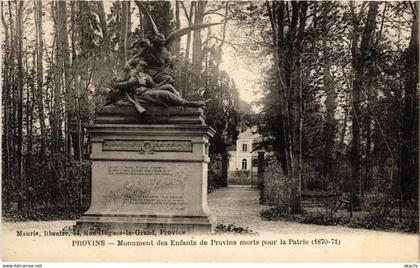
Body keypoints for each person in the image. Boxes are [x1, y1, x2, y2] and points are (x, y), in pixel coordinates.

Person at [104, 57, 209, 114]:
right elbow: (115, 85)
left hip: (148, 91)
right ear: (136, 65)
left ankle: (180, 100)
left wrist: (162, 81)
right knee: (166, 94)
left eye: (144, 67)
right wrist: (128, 83)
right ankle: (186, 103)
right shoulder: (128, 73)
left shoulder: (144, 75)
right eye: (141, 66)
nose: (143, 68)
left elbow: (153, 86)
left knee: (168, 87)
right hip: (139, 95)